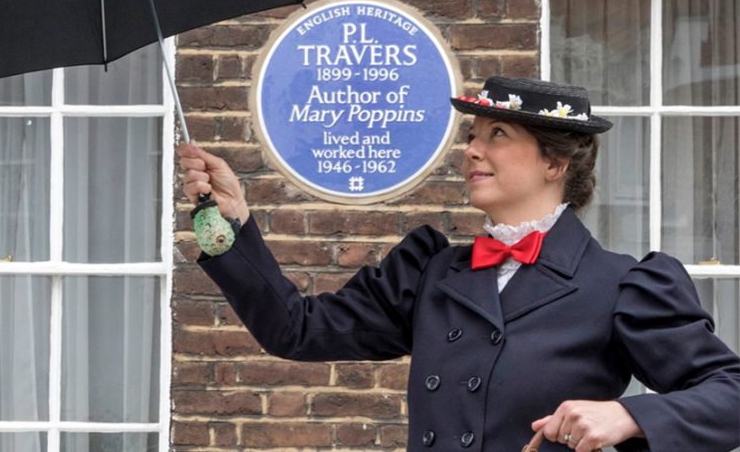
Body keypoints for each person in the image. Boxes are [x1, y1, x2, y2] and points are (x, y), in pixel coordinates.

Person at [177, 76, 740, 452]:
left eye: (497, 135)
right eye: (472, 135)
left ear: (555, 162)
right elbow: (295, 330)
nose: (472, 149)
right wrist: (232, 223)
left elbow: (730, 393)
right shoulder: (431, 272)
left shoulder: (623, 284)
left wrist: (631, 417)